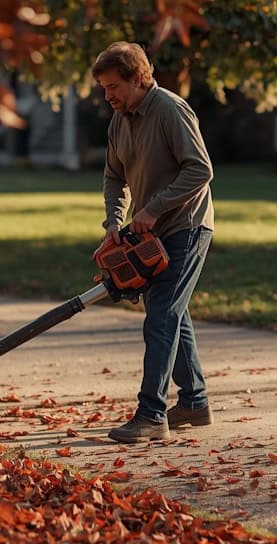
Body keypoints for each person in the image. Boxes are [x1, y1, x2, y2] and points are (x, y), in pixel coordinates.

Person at [91, 41, 215, 443]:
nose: (107, 96)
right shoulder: (119, 120)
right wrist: (115, 221)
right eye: (104, 88)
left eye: (113, 86)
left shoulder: (170, 110)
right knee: (172, 312)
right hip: (151, 234)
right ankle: (194, 402)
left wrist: (153, 209)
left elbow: (200, 169)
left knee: (162, 315)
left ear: (137, 78)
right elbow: (114, 177)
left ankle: (151, 415)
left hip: (187, 226)